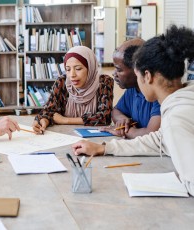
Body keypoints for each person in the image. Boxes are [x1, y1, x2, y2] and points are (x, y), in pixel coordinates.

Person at [72, 25, 194, 196]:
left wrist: (180, 181)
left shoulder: (176, 119)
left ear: (148, 76)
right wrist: (104, 148)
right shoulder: (184, 97)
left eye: (137, 76)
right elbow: (157, 141)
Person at [32, 46, 114, 134]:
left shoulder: (104, 82)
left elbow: (105, 117)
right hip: (65, 136)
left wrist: (65, 120)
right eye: (68, 69)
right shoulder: (62, 82)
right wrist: (43, 120)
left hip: (93, 139)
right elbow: (48, 110)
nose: (72, 75)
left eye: (78, 68)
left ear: (90, 67)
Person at [101, 38, 161, 138]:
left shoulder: (158, 94)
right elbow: (116, 111)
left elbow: (152, 135)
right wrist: (121, 119)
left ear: (137, 69)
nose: (114, 74)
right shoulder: (132, 89)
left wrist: (125, 131)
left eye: (119, 69)